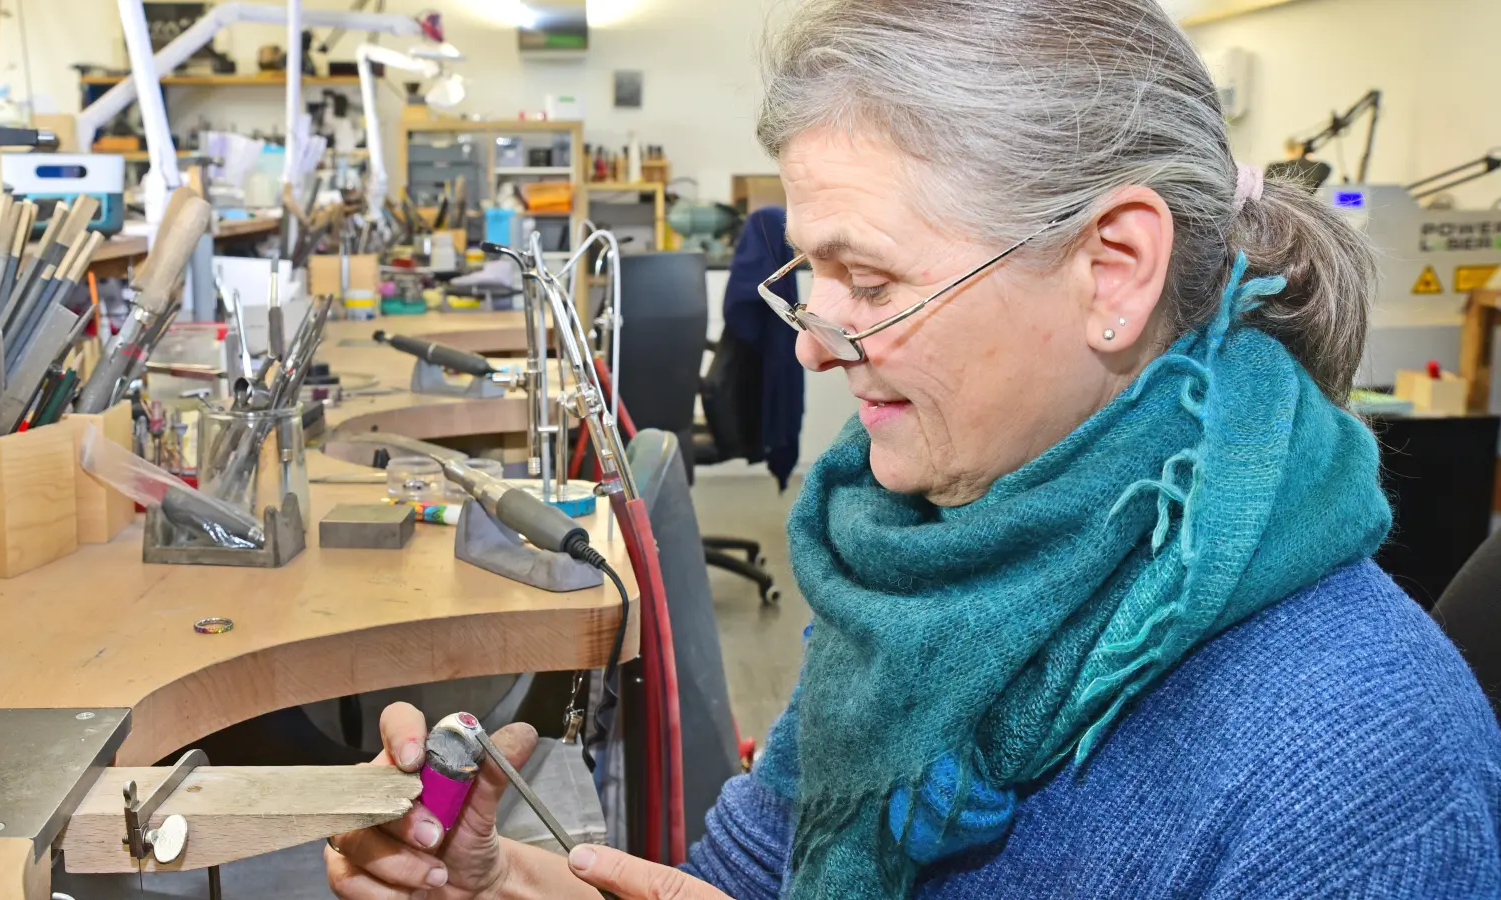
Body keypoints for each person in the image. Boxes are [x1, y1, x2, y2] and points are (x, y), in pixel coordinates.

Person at [327, 0, 1501, 897]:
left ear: (1113, 271)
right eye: (812, 275)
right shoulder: (918, 564)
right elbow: (754, 877)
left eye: (870, 279)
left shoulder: (1368, 775)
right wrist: (527, 882)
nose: (811, 350)